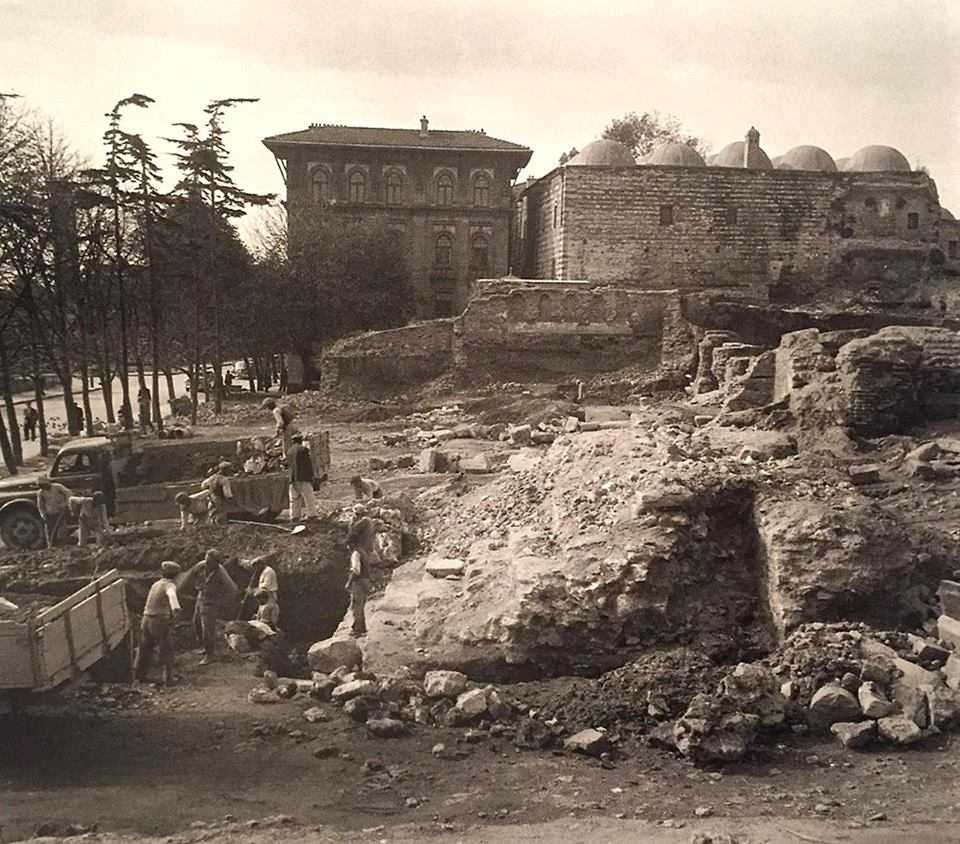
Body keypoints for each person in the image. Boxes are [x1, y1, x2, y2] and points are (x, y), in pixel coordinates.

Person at [181, 549, 238, 665]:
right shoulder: (201, 565)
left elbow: (233, 589)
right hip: (200, 597)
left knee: (208, 630)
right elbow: (189, 576)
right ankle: (204, 647)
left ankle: (210, 655)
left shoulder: (221, 572)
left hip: (211, 603)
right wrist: (179, 590)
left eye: (209, 562)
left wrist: (221, 602)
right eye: (206, 560)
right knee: (196, 623)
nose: (206, 563)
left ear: (216, 563)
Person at [133, 561, 182, 686]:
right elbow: (172, 596)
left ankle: (139, 676)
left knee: (145, 648)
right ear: (175, 575)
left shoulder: (156, 584)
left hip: (146, 618)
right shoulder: (170, 585)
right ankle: (168, 679)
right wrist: (176, 609)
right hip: (159, 620)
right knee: (167, 648)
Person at [345, 517, 375, 638]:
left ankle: (358, 629)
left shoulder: (355, 554)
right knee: (361, 604)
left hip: (359, 581)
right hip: (366, 580)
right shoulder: (363, 551)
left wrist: (348, 582)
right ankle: (360, 627)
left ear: (352, 544)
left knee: (356, 605)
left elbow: (356, 570)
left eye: (348, 545)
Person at [287, 433, 317, 521]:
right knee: (309, 497)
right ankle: (312, 515)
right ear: (300, 440)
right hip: (303, 477)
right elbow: (308, 464)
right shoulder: (304, 450)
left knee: (294, 499)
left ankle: (294, 517)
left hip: (293, 478)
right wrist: (312, 475)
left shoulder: (289, 451)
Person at [36, 475, 71, 547]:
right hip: (50, 514)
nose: (43, 487)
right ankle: (51, 546)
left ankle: (62, 545)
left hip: (60, 511)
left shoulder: (57, 487)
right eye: (41, 485)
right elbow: (40, 505)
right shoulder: (40, 493)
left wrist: (65, 504)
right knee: (50, 531)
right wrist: (43, 515)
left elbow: (69, 493)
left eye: (43, 485)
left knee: (62, 529)